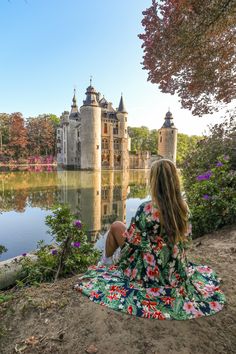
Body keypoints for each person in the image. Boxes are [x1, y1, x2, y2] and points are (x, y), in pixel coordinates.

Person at [75, 159, 226, 320]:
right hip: (174, 270)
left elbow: (133, 241)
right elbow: (186, 240)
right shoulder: (183, 207)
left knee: (116, 226)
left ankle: (106, 262)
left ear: (154, 181)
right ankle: (109, 262)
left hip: (149, 272)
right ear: (174, 181)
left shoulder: (147, 208)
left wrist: (130, 256)